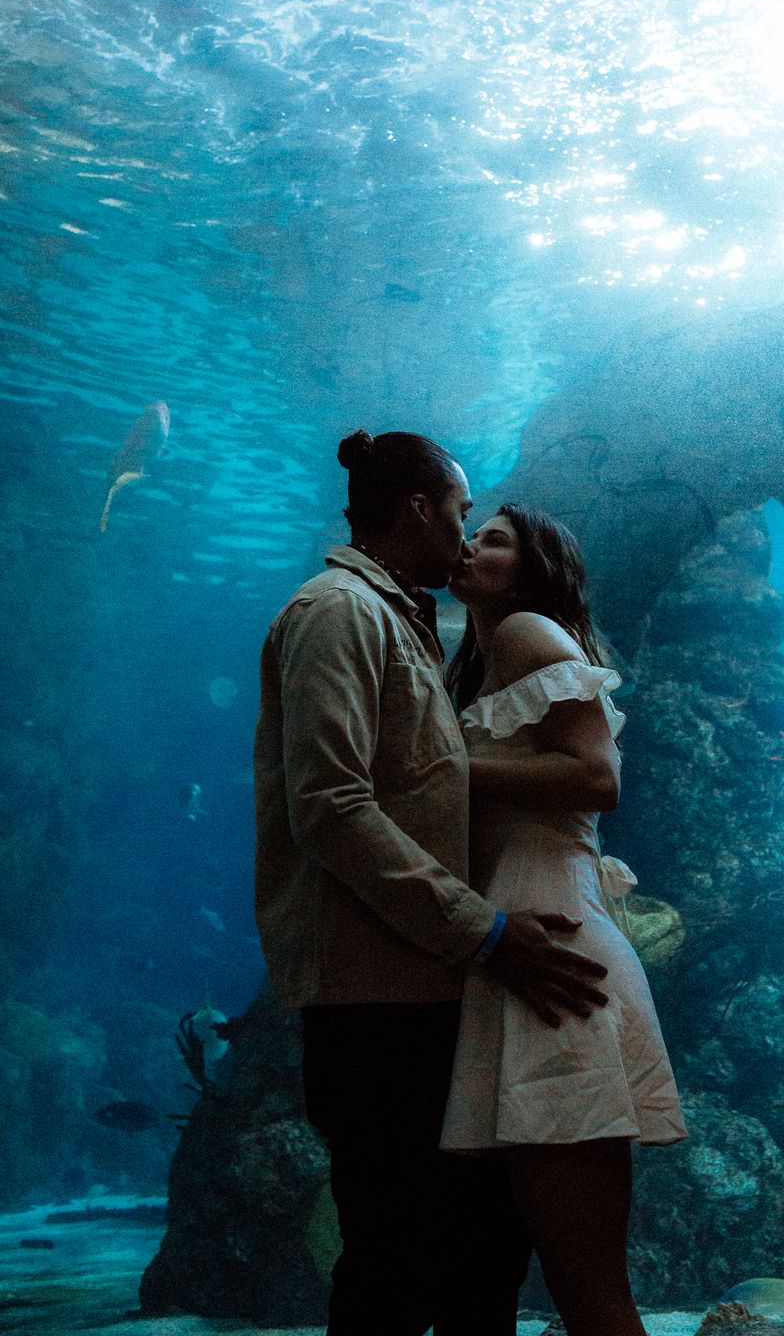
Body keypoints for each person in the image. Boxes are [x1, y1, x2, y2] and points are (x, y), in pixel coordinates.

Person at [253, 430, 609, 1336]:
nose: (464, 533)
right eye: (459, 513)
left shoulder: (405, 619)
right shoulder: (339, 613)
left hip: (424, 984)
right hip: (376, 996)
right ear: (418, 508)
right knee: (394, 1257)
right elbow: (331, 806)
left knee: (476, 1252)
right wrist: (484, 931)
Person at [441, 503, 688, 1336]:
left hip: (551, 945)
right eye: (475, 531)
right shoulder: (476, 656)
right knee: (563, 1284)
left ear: (536, 569)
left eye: (496, 540)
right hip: (526, 936)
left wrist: (436, 767)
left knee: (590, 1293)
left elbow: (596, 778)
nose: (471, 544)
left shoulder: (527, 632)